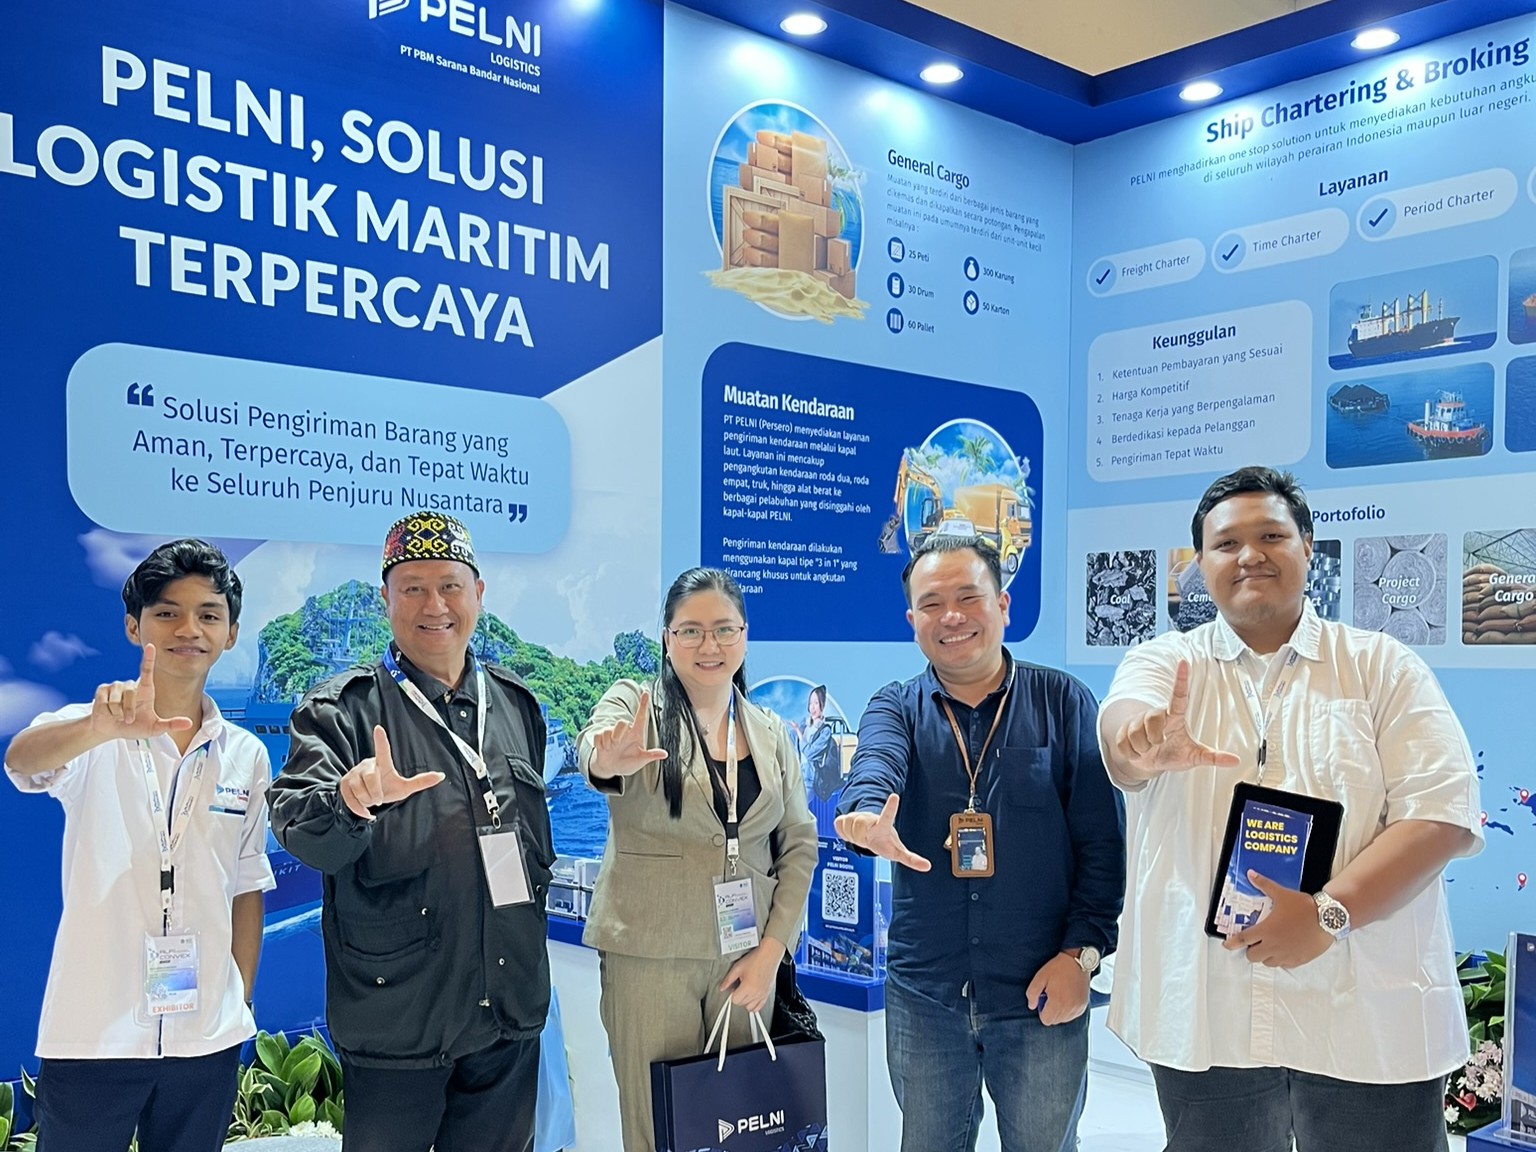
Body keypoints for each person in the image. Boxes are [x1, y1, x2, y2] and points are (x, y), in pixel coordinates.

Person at [1098, 466, 1483, 1152]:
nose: (1249, 554)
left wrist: (1328, 913)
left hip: (1365, 1022)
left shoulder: (1382, 666)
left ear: (1307, 547)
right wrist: (1139, 742)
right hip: (1208, 1022)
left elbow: (1442, 815)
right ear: (1200, 564)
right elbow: (1122, 736)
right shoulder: (1165, 664)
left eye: (1271, 536)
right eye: (1226, 543)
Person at [270, 512, 555, 1152]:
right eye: (413, 588)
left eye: (451, 586)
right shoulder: (341, 710)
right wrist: (348, 800)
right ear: (386, 599)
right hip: (398, 1020)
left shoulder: (516, 704)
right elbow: (299, 825)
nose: (435, 605)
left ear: (478, 593)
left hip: (508, 1007)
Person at [834, 533, 1125, 1152]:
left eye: (969, 597)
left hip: (1040, 989)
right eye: (932, 603)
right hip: (926, 998)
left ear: (1003, 605)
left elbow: (1102, 847)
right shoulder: (896, 706)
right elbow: (875, 766)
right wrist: (863, 815)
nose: (952, 616)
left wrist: (1081, 957)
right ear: (912, 620)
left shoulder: (1063, 702)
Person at [5, 539, 273, 1152]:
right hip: (94, 1031)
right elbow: (22, 762)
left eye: (208, 614)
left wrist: (238, 998)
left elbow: (247, 881)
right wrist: (97, 728)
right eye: (167, 612)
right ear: (135, 627)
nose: (189, 629)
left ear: (230, 633)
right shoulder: (90, 728)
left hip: (206, 1036)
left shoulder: (246, 754)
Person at [578, 567, 818, 1152]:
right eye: (690, 630)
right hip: (649, 957)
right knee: (659, 1128)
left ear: (744, 636)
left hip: (745, 959)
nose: (709, 644)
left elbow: (798, 844)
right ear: (667, 638)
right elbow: (597, 746)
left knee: (742, 1126)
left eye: (723, 629)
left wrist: (771, 952)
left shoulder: (770, 733)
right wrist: (605, 758)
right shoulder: (636, 704)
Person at [794, 683, 840, 831]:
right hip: (797, 777)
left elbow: (810, 753)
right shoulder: (805, 726)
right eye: (810, 703)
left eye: (816, 703)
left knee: (795, 814)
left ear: (822, 705)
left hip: (810, 780)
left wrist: (799, 734)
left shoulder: (824, 731)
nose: (812, 707)